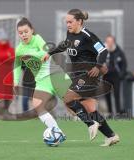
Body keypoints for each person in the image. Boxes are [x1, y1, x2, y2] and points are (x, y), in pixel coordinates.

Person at [43, 9, 120, 146]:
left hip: (89, 76)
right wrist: (50, 53)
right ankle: (111, 136)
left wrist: (97, 66)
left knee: (67, 99)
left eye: (70, 22)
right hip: (78, 76)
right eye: (66, 22)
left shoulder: (87, 36)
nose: (68, 24)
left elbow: (103, 50)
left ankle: (90, 124)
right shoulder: (70, 33)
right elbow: (65, 45)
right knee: (90, 109)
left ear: (79, 21)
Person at [13, 17, 67, 143]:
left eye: (26, 31)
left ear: (32, 30)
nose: (23, 34)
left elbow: (45, 53)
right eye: (20, 33)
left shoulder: (37, 39)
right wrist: (15, 81)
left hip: (54, 75)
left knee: (72, 106)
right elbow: (16, 65)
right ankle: (57, 131)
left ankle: (95, 123)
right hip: (42, 80)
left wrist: (30, 53)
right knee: (37, 106)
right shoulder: (19, 49)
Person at [104, 35, 127, 115]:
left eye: (111, 41)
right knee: (107, 95)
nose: (109, 43)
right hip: (105, 76)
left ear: (113, 42)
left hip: (116, 76)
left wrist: (121, 74)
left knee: (117, 94)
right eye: (108, 41)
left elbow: (124, 64)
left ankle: (118, 112)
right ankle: (110, 112)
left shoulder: (118, 51)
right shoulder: (102, 51)